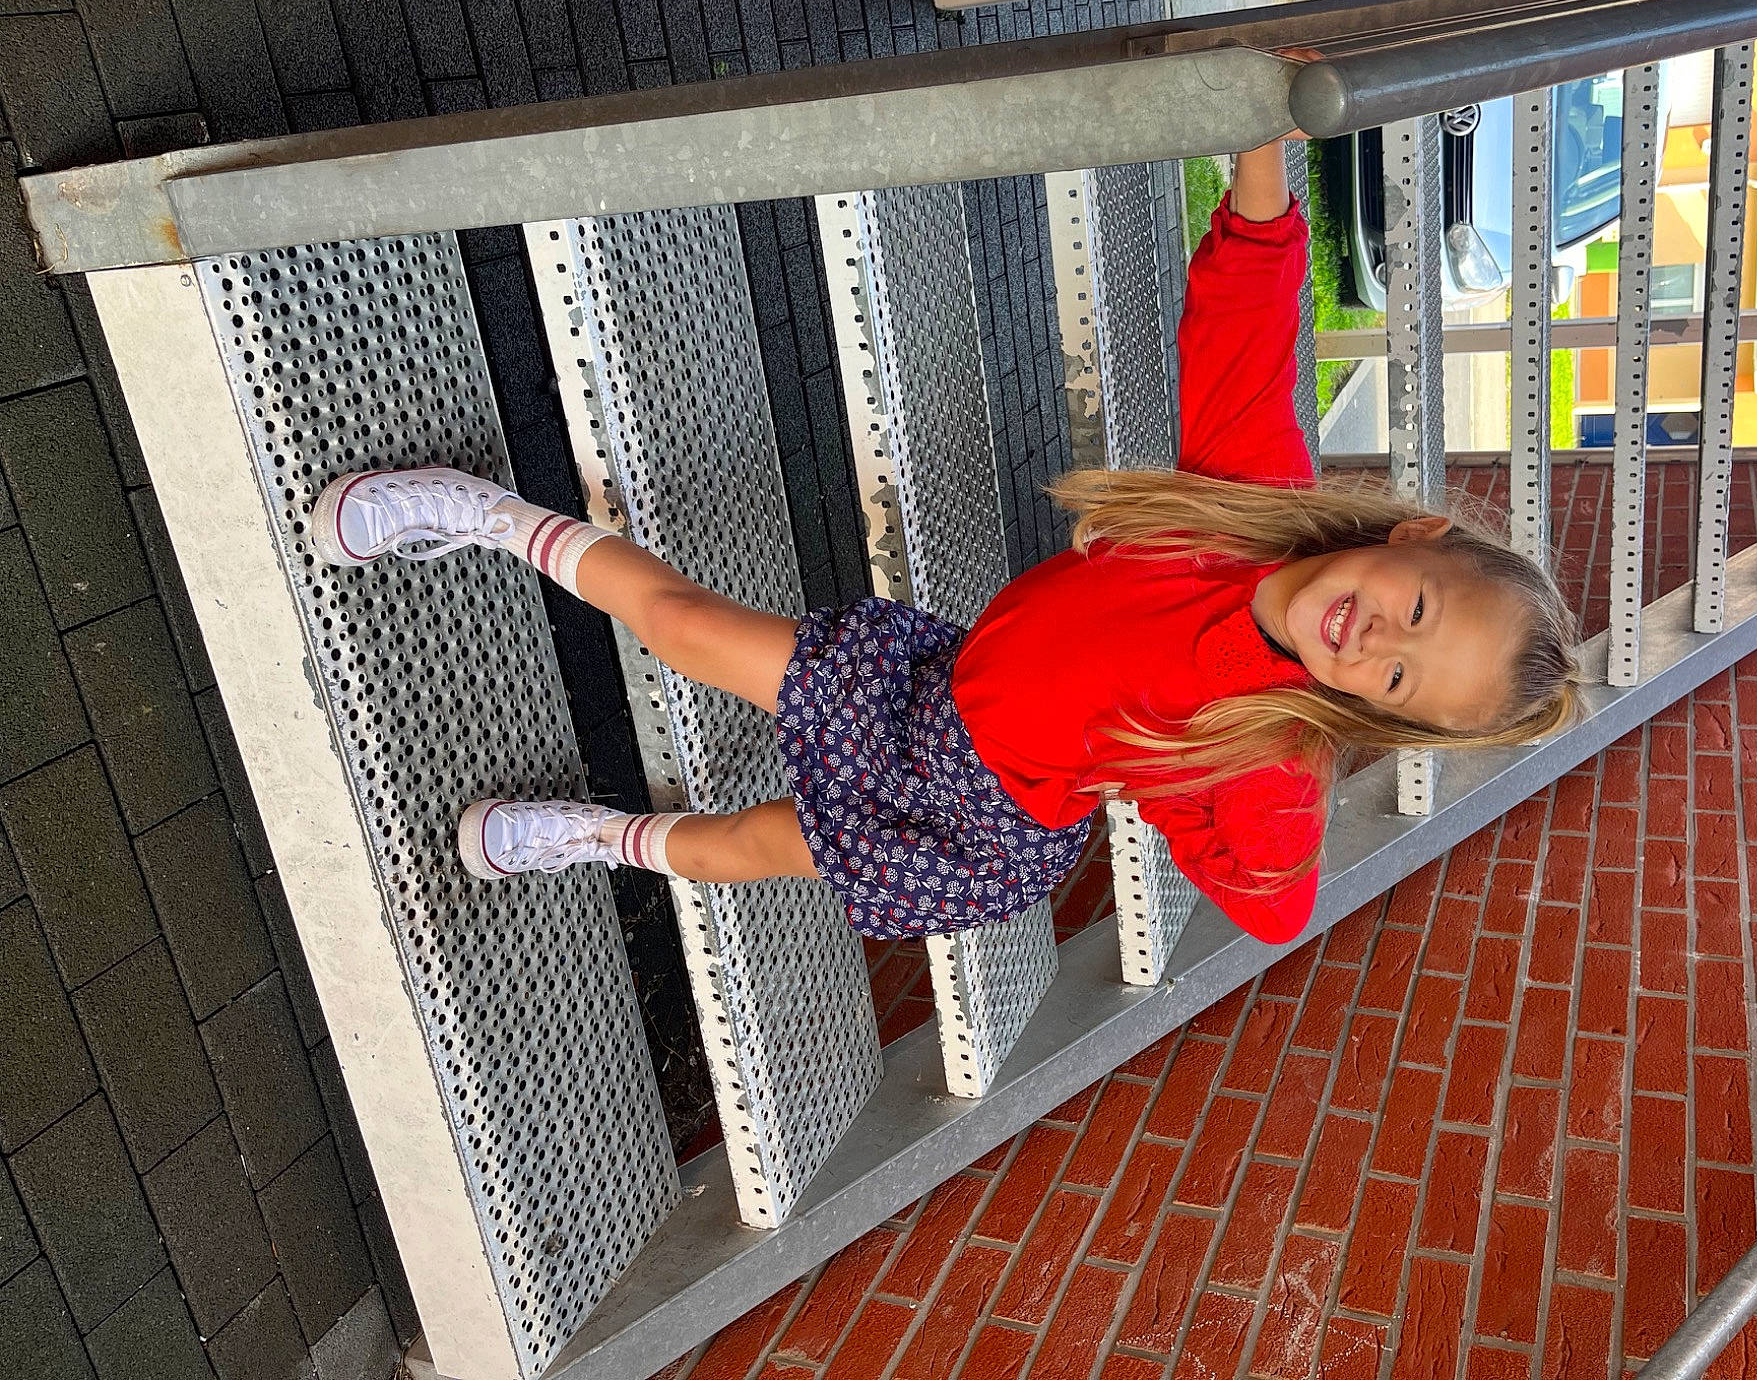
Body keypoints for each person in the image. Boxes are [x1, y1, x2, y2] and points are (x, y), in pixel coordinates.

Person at [306, 141, 1581, 946]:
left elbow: (1275, 906)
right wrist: (1259, 161)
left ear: (1385, 713)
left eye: (1400, 679)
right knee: (687, 628)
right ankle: (483, 516)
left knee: (752, 846)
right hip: (928, 686)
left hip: (977, 817)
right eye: (1416, 604)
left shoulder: (1256, 748)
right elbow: (1248, 330)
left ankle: (595, 837)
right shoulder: (1253, 503)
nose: (1375, 640)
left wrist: (1236, 795)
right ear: (1416, 535)